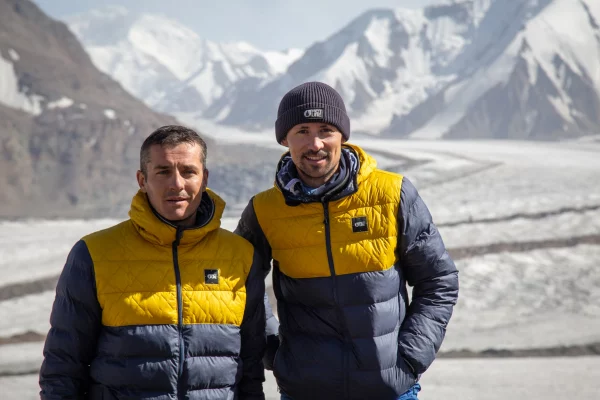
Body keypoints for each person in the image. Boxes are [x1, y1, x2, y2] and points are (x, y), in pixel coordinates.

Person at [235, 82, 459, 400]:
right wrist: (273, 350)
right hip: (305, 392)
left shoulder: (392, 194)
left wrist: (409, 357)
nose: (315, 143)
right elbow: (238, 288)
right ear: (284, 139)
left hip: (390, 391)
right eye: (302, 131)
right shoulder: (264, 211)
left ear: (343, 134)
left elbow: (439, 280)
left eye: (326, 129)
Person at [39, 125, 266, 400]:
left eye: (188, 171)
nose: (177, 184)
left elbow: (251, 366)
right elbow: (63, 364)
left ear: (204, 178)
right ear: (142, 180)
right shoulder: (94, 253)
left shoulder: (240, 256)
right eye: (163, 171)